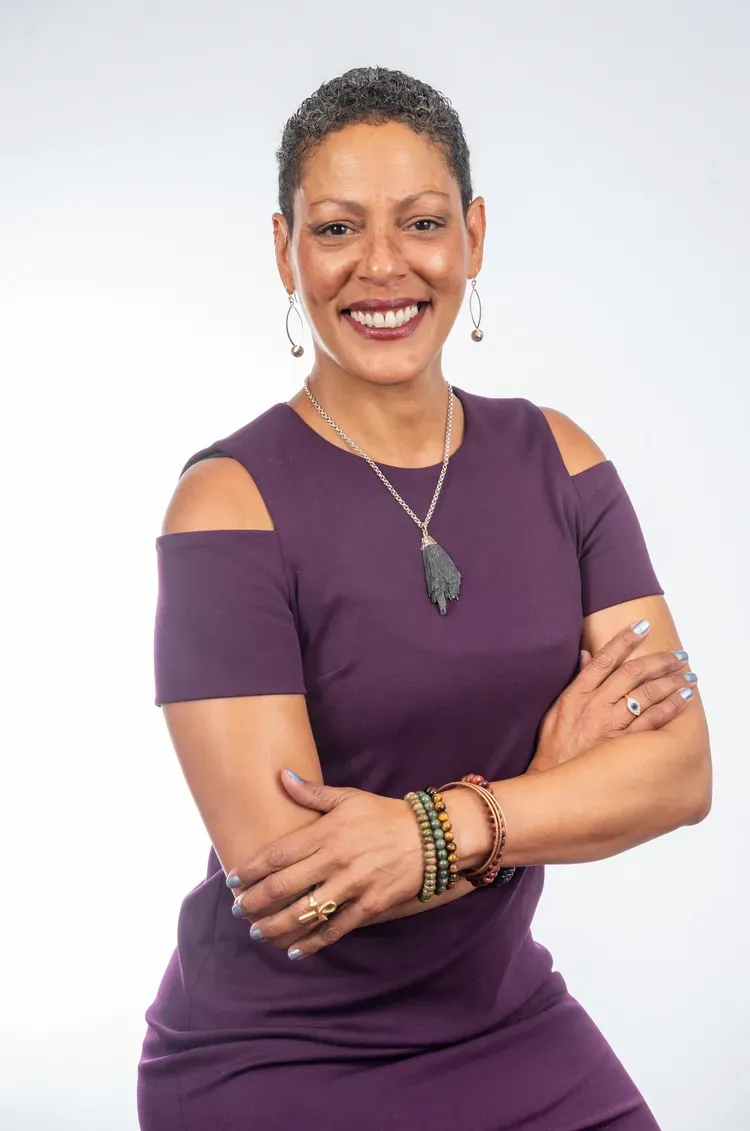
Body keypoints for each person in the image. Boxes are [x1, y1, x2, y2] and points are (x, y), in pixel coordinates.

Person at [137, 66, 711, 1131]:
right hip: (276, 1058)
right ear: (284, 252)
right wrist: (546, 788)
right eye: (338, 229)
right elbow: (298, 892)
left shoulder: (561, 460)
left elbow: (679, 771)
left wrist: (430, 832)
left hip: (511, 1021)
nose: (382, 266)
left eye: (422, 222)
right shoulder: (225, 504)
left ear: (475, 238)